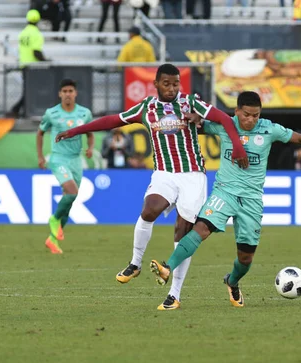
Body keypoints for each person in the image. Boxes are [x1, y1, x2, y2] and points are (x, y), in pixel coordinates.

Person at [149, 91, 301, 310]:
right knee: (201, 229)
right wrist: (193, 119)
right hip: (224, 192)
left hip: (252, 200)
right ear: (237, 112)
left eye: (255, 115)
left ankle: (232, 281)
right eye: (246, 115)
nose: (251, 120)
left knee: (245, 259)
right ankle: (168, 266)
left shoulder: (269, 129)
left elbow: (299, 138)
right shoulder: (226, 124)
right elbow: (195, 128)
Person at [55, 63, 248, 284]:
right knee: (148, 211)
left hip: (192, 174)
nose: (171, 88)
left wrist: (237, 146)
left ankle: (174, 293)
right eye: (166, 84)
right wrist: (76, 131)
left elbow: (223, 118)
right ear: (155, 84)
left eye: (176, 84)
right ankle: (135, 264)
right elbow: (112, 120)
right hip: (164, 173)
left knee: (182, 231)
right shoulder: (146, 108)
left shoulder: (191, 102)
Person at [37, 79, 94, 254]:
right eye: (65, 91)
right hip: (58, 158)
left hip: (76, 160)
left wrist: (90, 148)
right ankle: (54, 220)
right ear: (60, 94)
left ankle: (52, 240)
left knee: (68, 204)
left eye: (71, 90)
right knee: (71, 191)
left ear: (75, 93)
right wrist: (40, 157)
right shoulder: (51, 113)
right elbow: (40, 133)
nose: (68, 94)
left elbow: (90, 134)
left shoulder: (84, 113)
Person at [7, 9, 49, 118]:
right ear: (38, 20)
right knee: (32, 90)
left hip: (23, 65)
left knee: (29, 90)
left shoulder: (23, 33)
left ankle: (20, 110)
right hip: (33, 67)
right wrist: (46, 61)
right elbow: (36, 52)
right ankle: (17, 110)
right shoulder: (37, 34)